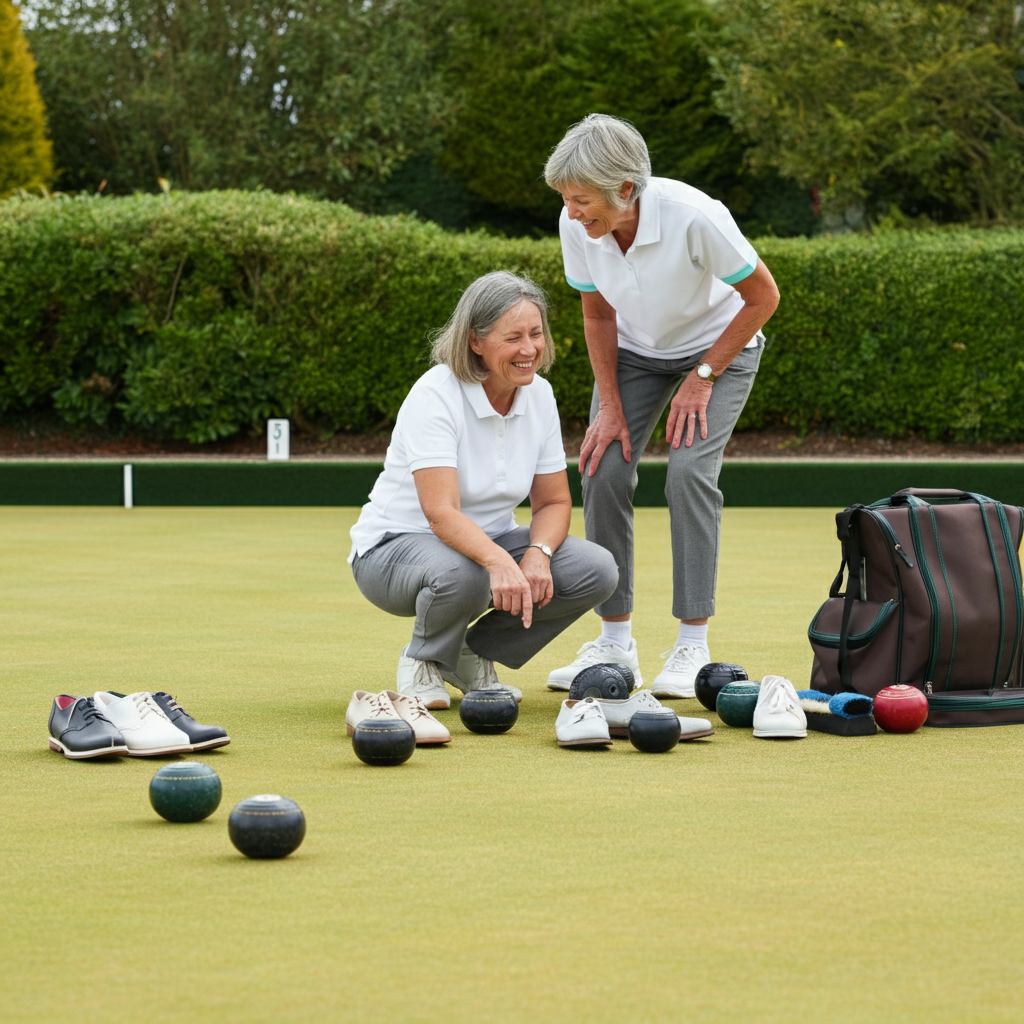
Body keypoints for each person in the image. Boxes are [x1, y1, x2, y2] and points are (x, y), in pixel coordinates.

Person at [542, 114, 780, 697]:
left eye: (582, 200)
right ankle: (615, 644)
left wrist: (703, 375)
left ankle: (692, 646)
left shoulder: (695, 216)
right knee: (603, 467)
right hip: (634, 350)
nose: (572, 212)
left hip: (718, 345)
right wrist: (609, 408)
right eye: (566, 200)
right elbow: (597, 313)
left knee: (689, 473)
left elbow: (763, 297)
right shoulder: (579, 225)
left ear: (625, 188)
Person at [348, 271, 619, 708]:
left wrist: (537, 554)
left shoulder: (540, 396)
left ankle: (472, 653)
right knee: (467, 571)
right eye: (513, 337)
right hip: (391, 551)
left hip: (483, 547)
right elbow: (440, 513)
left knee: (597, 569)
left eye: (536, 334)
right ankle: (423, 660)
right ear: (476, 341)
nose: (529, 349)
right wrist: (497, 561)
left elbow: (553, 501)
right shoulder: (435, 394)